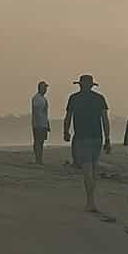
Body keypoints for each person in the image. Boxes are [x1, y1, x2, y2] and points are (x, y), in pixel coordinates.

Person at [62, 73, 110, 212]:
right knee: (92, 168)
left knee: (87, 169)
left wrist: (66, 132)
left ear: (80, 85)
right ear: (91, 85)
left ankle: (90, 201)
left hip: (82, 138)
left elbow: (68, 117)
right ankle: (91, 200)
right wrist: (107, 138)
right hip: (97, 138)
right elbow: (105, 120)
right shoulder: (99, 99)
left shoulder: (74, 98)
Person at [30, 81, 51, 165]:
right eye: (44, 87)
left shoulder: (43, 98)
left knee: (41, 142)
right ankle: (38, 159)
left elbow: (45, 113)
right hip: (38, 124)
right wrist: (39, 123)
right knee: (38, 141)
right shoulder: (36, 98)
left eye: (45, 87)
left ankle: (39, 159)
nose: (45, 89)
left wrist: (47, 124)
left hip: (43, 123)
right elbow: (37, 112)